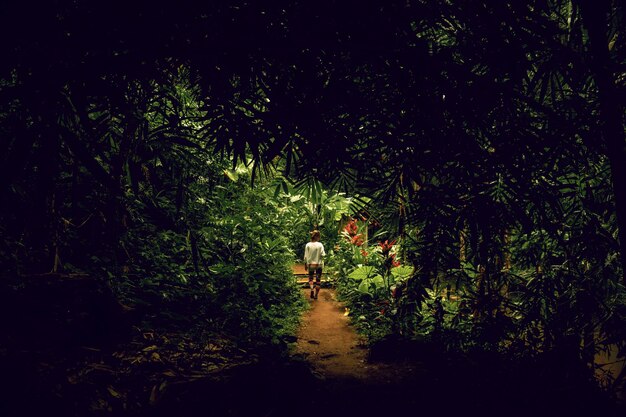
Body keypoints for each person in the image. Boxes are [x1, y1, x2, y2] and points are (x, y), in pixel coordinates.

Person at [304, 230, 325, 300]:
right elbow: (323, 254)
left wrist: (305, 264)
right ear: (317, 237)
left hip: (310, 265)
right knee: (318, 280)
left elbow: (306, 256)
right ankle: (316, 295)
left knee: (310, 279)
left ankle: (312, 290)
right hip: (318, 264)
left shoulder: (308, 245)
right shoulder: (320, 245)